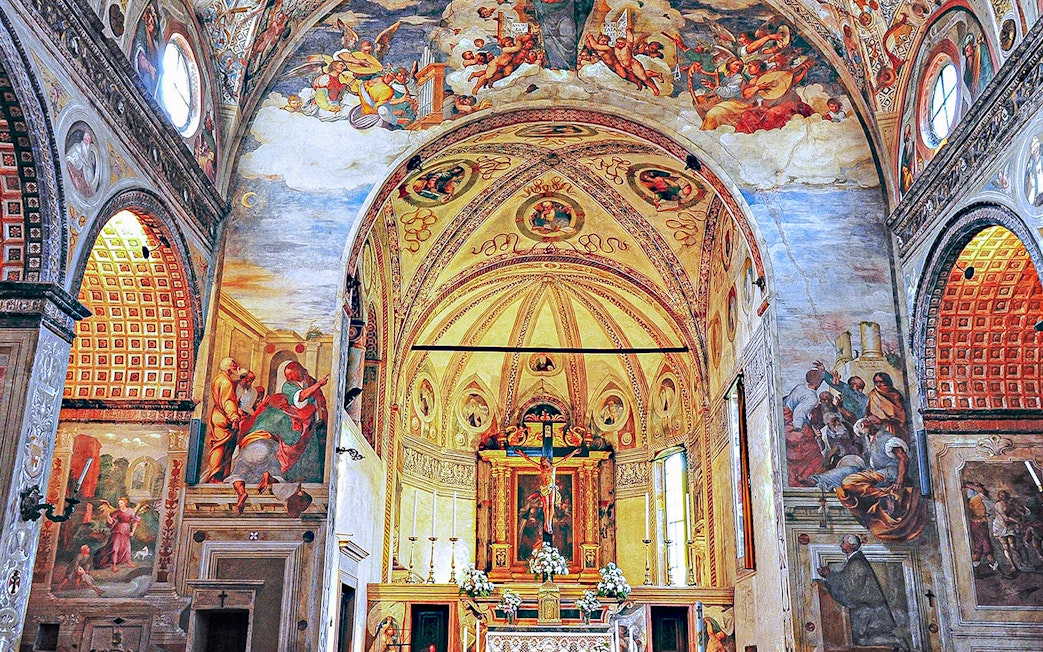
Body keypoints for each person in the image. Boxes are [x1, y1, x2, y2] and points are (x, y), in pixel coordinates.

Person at [227, 361, 329, 513]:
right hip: (268, 444)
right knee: (276, 468)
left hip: (250, 444)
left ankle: (241, 493)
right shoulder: (285, 409)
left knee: (239, 473)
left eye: (290, 374)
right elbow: (291, 437)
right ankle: (271, 477)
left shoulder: (263, 414)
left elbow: (245, 428)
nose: (289, 377)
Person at [835, 418, 925, 541]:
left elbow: (904, 459)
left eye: (866, 421)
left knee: (848, 482)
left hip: (889, 472)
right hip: (879, 473)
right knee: (846, 482)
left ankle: (883, 493)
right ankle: (882, 493)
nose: (865, 423)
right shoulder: (871, 441)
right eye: (863, 424)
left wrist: (899, 481)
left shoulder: (887, 439)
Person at [816, 534, 906, 649]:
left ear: (852, 546)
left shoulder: (856, 563)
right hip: (866, 608)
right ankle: (896, 642)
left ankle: (897, 641)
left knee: (861, 639)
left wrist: (829, 575)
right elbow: (846, 579)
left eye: (844, 542)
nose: (841, 545)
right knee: (861, 639)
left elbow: (850, 588)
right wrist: (830, 575)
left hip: (869, 609)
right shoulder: (854, 561)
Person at [514, 447, 580, 539]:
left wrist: (574, 452)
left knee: (551, 505)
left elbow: (564, 459)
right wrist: (521, 454)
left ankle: (549, 523)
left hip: (552, 488)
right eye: (542, 462)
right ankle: (546, 523)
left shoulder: (553, 467)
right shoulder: (541, 468)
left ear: (547, 460)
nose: (542, 463)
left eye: (543, 461)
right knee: (546, 505)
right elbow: (529, 460)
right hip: (545, 488)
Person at [199, 357, 244, 483]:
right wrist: (234, 416)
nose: (237, 366)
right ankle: (214, 476)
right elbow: (227, 401)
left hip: (218, 414)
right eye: (234, 364)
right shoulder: (226, 382)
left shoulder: (219, 378)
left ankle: (221, 476)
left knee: (222, 447)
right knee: (220, 446)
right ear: (228, 367)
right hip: (224, 417)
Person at [92, 497, 141, 572]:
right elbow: (111, 522)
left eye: (121, 503)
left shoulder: (130, 511)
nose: (120, 505)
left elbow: (136, 521)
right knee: (115, 548)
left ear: (125, 503)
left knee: (127, 548)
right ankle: (114, 565)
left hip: (126, 531)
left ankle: (129, 563)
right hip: (117, 531)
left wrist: (133, 531)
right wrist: (107, 516)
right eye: (119, 503)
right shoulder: (117, 512)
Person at [962, 481, 998, 571]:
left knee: (979, 548)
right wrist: (972, 486)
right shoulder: (976, 499)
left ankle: (976, 572)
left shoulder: (975, 500)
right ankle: (998, 570)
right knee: (986, 548)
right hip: (980, 523)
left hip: (978, 523)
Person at [866, 372, 907, 442]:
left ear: (886, 381)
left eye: (881, 382)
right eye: (876, 382)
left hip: (893, 427)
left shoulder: (895, 395)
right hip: (878, 428)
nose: (878, 384)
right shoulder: (873, 394)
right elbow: (868, 411)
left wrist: (890, 420)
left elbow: (901, 414)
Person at [66, 130, 100, 198]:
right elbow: (69, 159)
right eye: (85, 138)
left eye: (88, 139)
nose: (87, 140)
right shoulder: (76, 147)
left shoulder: (91, 154)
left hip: (85, 178)